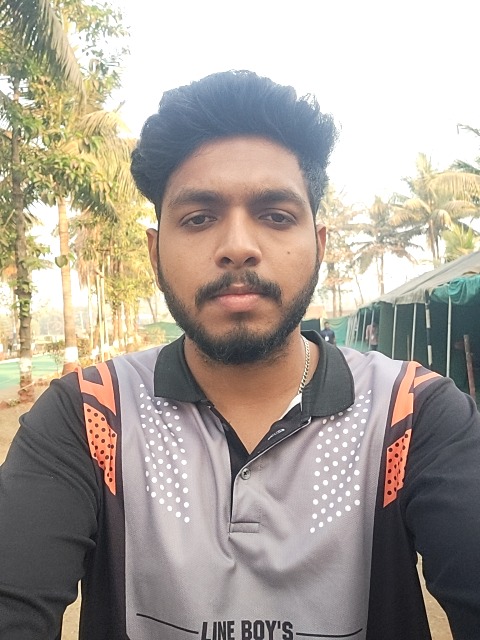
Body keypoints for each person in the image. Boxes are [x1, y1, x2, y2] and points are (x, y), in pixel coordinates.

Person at [0, 71, 479, 640]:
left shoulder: (413, 413)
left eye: (275, 215)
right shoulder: (89, 414)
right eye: (199, 218)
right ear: (155, 252)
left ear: (319, 245)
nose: (237, 247)